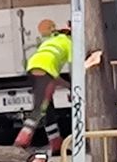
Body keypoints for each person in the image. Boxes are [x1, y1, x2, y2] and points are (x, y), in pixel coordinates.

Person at [14, 19, 73, 151]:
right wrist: (71, 86)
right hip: (46, 70)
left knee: (47, 107)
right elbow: (74, 68)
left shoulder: (51, 40)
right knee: (41, 107)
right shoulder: (69, 43)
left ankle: (55, 142)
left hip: (32, 66)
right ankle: (22, 140)